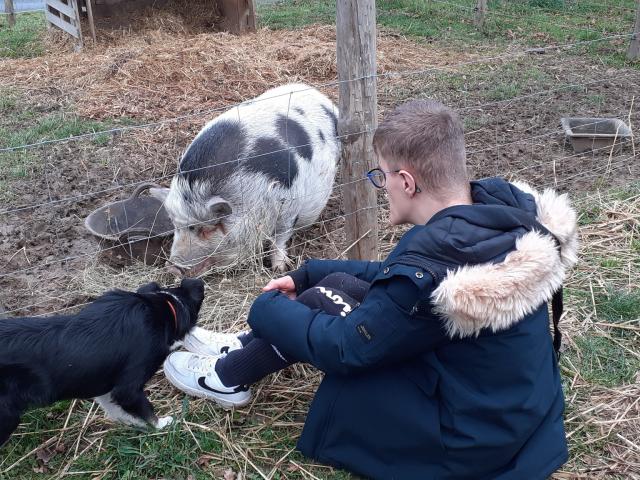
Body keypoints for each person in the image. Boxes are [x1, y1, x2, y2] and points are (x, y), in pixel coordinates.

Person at [163, 99, 577, 479]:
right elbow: (393, 276)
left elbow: (347, 348)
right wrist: (312, 272)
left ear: (407, 182)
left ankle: (227, 376)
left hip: (465, 437)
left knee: (325, 304)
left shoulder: (431, 264)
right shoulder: (501, 214)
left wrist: (266, 307)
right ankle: (239, 352)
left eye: (380, 176)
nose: (380, 187)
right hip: (514, 408)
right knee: (336, 284)